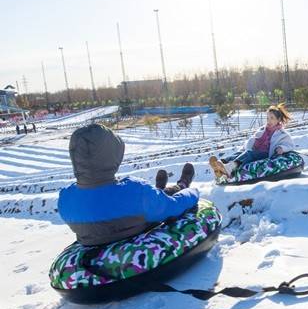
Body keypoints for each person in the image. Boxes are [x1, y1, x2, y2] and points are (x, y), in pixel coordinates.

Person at [58, 123, 199, 246]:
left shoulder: (65, 198)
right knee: (156, 201)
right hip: (138, 230)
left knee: (149, 201)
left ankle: (160, 190)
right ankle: (182, 184)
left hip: (96, 241)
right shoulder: (135, 190)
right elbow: (173, 206)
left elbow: (98, 206)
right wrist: (193, 193)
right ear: (111, 155)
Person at [209, 104, 295, 179]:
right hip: (255, 151)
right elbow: (252, 139)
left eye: (272, 118)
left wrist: (282, 148)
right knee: (240, 153)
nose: (269, 121)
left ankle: (230, 168)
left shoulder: (282, 133)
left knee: (249, 153)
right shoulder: (262, 129)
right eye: (267, 118)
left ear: (278, 119)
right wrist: (244, 148)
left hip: (265, 154)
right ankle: (220, 164)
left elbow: (289, 145)